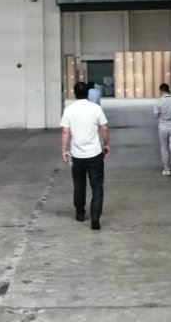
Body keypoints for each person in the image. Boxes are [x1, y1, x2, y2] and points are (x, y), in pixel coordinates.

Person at [61, 81, 110, 230]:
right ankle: (95, 217)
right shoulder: (95, 108)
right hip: (94, 153)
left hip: (77, 155)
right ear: (87, 93)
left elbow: (65, 131)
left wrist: (64, 149)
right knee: (97, 186)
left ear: (74, 93)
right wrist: (106, 144)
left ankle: (80, 214)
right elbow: (105, 128)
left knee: (79, 185)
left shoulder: (69, 109)